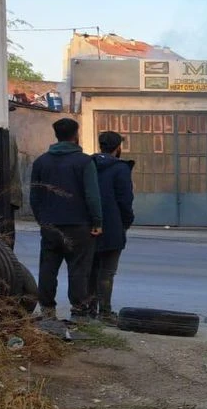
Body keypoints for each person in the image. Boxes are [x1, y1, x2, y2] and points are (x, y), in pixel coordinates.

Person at [30, 118, 102, 321]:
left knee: (48, 267)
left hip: (50, 224)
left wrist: (42, 220)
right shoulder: (84, 162)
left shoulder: (41, 162)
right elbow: (92, 195)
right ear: (76, 135)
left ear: (56, 135)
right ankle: (78, 309)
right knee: (79, 268)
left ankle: (47, 310)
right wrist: (97, 221)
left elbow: (34, 197)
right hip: (79, 225)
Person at [88, 131, 134, 323]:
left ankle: (89, 310)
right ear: (118, 148)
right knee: (107, 272)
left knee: (90, 269)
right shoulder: (120, 169)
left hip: (88, 225)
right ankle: (105, 312)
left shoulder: (87, 164)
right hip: (112, 226)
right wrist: (126, 222)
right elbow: (125, 200)